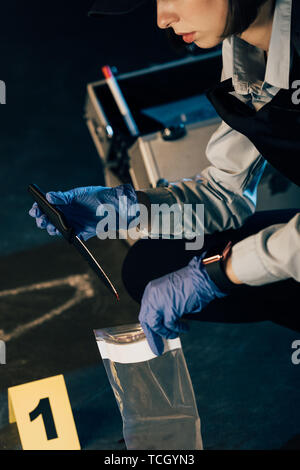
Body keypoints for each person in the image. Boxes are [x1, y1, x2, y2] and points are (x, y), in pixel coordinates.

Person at [29, 0, 300, 356]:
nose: (161, 19)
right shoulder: (247, 53)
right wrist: (124, 208)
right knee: (152, 265)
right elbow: (225, 193)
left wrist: (221, 272)